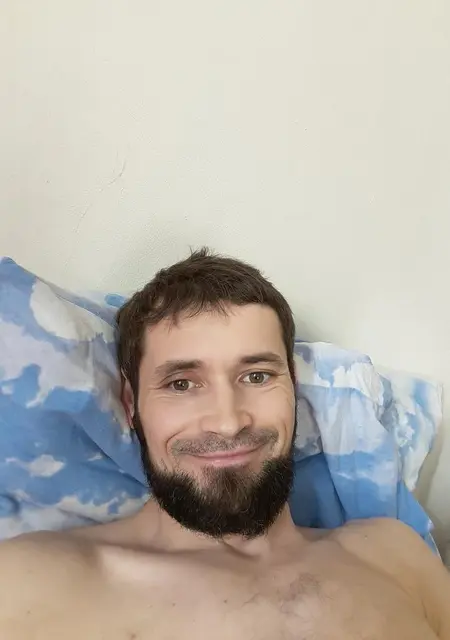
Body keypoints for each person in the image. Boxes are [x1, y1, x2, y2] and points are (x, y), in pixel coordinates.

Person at [1, 248, 449, 640]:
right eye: (181, 383)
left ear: (293, 388)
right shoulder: (29, 584)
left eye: (257, 376)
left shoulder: (394, 556)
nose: (229, 422)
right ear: (131, 403)